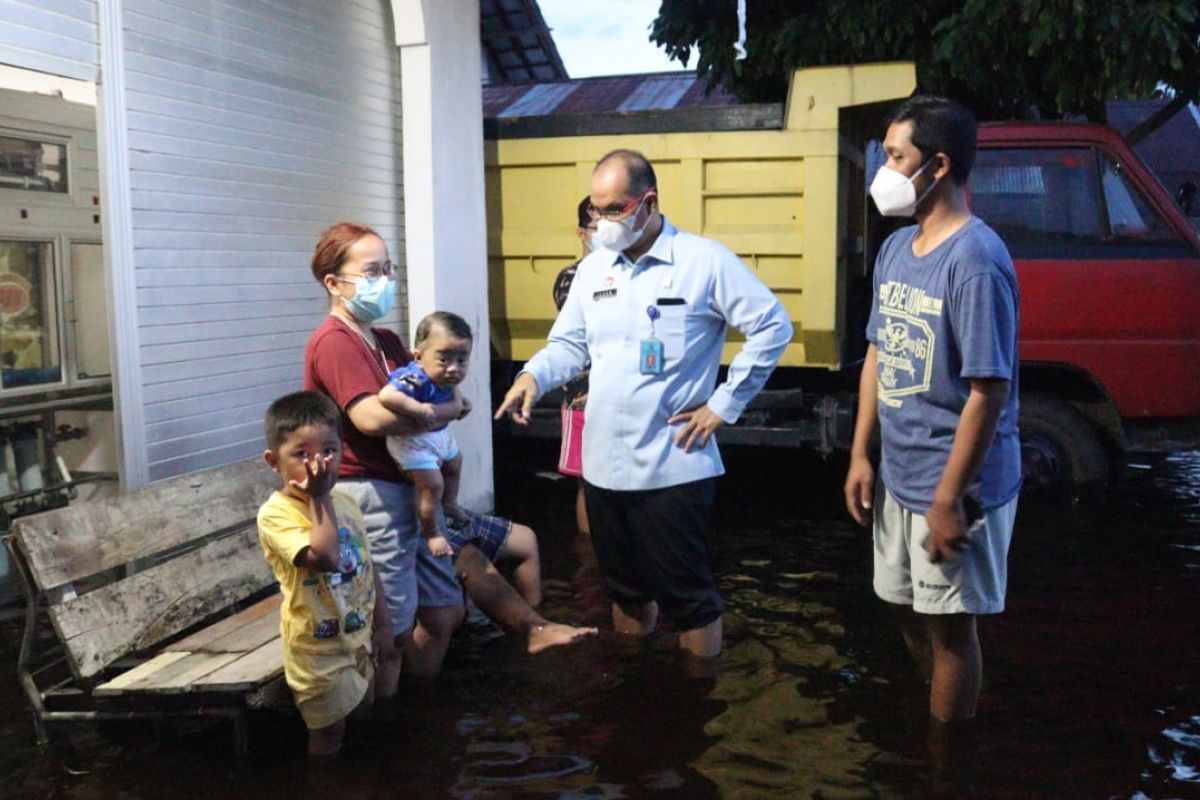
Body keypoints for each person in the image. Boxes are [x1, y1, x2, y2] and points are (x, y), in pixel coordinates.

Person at [496, 150, 793, 659]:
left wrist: (724, 404)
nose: (600, 222)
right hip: (605, 467)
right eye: (594, 210)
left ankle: (697, 709)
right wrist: (531, 377)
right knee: (627, 594)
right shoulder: (595, 270)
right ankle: (637, 688)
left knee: (691, 602)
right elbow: (570, 344)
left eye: (612, 210)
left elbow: (773, 326)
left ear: (648, 202)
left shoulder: (704, 261)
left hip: (673, 466)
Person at [303, 223, 596, 690]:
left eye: (389, 269)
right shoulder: (334, 342)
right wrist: (441, 412)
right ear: (334, 283)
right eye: (372, 271)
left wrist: (434, 410)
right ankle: (388, 720)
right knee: (393, 630)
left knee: (444, 613)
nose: (386, 280)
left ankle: (425, 710)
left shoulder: (384, 340)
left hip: (411, 488)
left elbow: (442, 398)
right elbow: (371, 419)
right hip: (371, 495)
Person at [842, 97, 1020, 761]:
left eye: (895, 157)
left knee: (951, 635)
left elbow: (987, 390)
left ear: (938, 166)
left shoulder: (976, 259)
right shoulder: (896, 248)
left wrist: (949, 499)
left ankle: (947, 768)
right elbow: (879, 354)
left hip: (955, 485)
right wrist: (862, 453)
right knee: (904, 608)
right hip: (900, 473)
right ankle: (942, 714)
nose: (882, 171)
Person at [257, 391, 396, 757]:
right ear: (275, 462)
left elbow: (366, 567)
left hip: (358, 639)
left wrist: (383, 622)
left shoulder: (346, 503)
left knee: (363, 724)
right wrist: (318, 498)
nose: (318, 464)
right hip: (317, 652)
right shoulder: (277, 515)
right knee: (328, 738)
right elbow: (327, 557)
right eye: (302, 454)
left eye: (329, 450)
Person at [379, 310, 541, 604]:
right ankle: (432, 532)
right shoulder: (413, 378)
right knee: (432, 486)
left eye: (462, 360)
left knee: (456, 462)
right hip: (413, 444)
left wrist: (461, 403)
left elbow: (451, 397)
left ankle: (451, 505)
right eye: (444, 359)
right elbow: (386, 396)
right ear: (419, 357)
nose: (454, 368)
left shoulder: (444, 379)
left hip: (436, 437)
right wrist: (416, 410)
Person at [551, 197, 597, 535]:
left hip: (620, 397)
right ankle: (589, 558)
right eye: (598, 227)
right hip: (584, 396)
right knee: (587, 482)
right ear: (582, 233)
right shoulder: (571, 278)